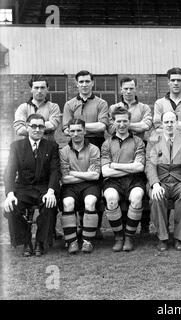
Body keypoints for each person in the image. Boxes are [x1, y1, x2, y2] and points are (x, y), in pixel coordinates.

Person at [3, 114, 60, 257]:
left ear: (44, 128)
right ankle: (26, 241)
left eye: (41, 126)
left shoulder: (51, 146)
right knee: (11, 206)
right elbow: (9, 172)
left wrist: (51, 191)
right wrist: (9, 195)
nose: (37, 129)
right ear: (27, 128)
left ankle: (41, 242)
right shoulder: (16, 146)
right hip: (23, 188)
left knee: (50, 204)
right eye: (33, 126)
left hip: (44, 189)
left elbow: (55, 170)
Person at [62, 70, 109, 239]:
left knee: (96, 183)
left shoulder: (101, 103)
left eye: (87, 81)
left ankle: (94, 227)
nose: (84, 84)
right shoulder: (69, 104)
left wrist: (78, 127)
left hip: (95, 145)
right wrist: (79, 131)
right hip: (74, 146)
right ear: (76, 84)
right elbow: (65, 128)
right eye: (81, 81)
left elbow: (102, 126)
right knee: (77, 185)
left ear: (92, 83)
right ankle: (81, 225)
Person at [145, 111, 181, 251]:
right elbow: (150, 164)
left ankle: (180, 237)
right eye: (166, 122)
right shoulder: (154, 140)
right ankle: (162, 237)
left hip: (179, 181)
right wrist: (155, 184)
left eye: (172, 121)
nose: (169, 125)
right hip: (160, 181)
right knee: (156, 197)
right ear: (161, 124)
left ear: (177, 123)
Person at [108, 77, 152, 234]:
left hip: (141, 146)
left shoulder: (144, 107)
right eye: (125, 88)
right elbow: (111, 129)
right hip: (119, 146)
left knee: (142, 183)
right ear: (121, 90)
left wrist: (123, 123)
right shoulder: (113, 107)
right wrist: (130, 125)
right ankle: (126, 223)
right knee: (123, 183)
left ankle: (145, 224)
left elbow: (146, 125)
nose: (128, 91)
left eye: (131, 88)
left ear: (135, 89)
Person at [101, 107, 146, 252]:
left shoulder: (138, 141)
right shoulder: (106, 143)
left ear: (129, 121)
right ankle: (119, 237)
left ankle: (129, 237)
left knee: (137, 197)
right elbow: (105, 170)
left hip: (135, 180)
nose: (122, 124)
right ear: (113, 122)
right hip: (112, 182)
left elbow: (139, 167)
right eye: (118, 121)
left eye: (125, 121)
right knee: (111, 198)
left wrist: (114, 165)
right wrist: (129, 167)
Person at [59, 119, 101, 254]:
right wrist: (85, 174)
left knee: (90, 201)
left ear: (84, 131)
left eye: (78, 130)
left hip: (90, 185)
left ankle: (87, 241)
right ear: (69, 133)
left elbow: (95, 176)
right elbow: (64, 179)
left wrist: (73, 173)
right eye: (72, 131)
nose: (76, 133)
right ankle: (72, 242)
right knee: (67, 202)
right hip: (70, 187)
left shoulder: (94, 149)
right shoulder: (64, 151)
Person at [13, 75, 61, 141]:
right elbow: (19, 129)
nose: (39, 91)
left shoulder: (53, 107)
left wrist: (29, 127)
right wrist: (42, 128)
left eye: (42, 87)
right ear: (31, 90)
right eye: (36, 88)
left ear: (47, 89)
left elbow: (52, 125)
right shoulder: (23, 107)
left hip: (48, 147)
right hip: (28, 148)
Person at [153, 67, 181, 134]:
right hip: (165, 142)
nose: (176, 83)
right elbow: (158, 125)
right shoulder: (159, 103)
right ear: (168, 82)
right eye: (173, 80)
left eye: (179, 80)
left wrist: (168, 124)